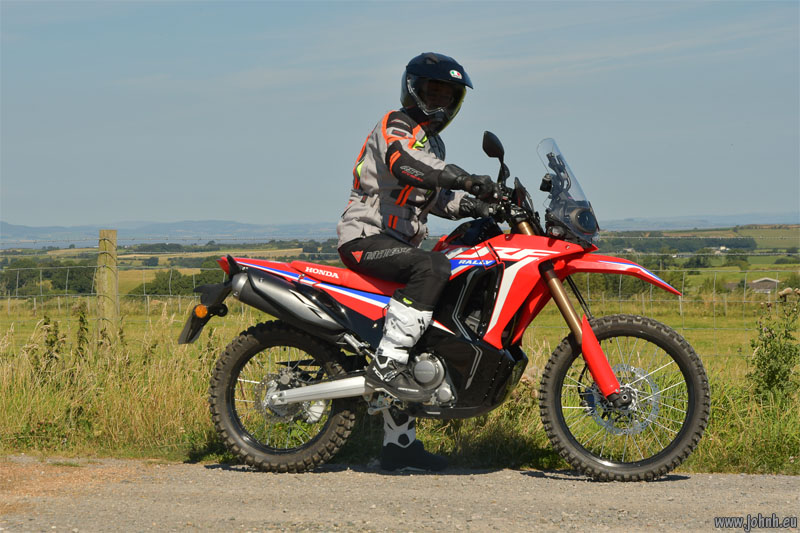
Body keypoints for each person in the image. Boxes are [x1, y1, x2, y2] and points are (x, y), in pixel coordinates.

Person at [336, 52, 499, 471]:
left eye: (447, 95)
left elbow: (437, 196)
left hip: (397, 242)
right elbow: (403, 164)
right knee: (433, 268)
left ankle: (399, 447)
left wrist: (481, 205)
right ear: (413, 89)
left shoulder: (434, 142)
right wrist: (461, 176)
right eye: (432, 91)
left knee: (442, 293)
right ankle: (388, 364)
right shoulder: (397, 124)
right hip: (366, 238)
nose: (439, 102)